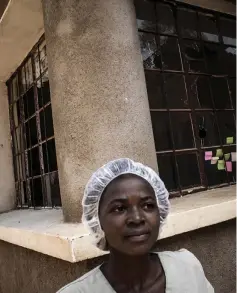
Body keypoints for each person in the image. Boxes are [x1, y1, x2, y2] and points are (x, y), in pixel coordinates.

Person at [58, 158, 214, 293]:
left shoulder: (188, 267)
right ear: (97, 221)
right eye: (119, 208)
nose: (137, 218)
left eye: (147, 205)